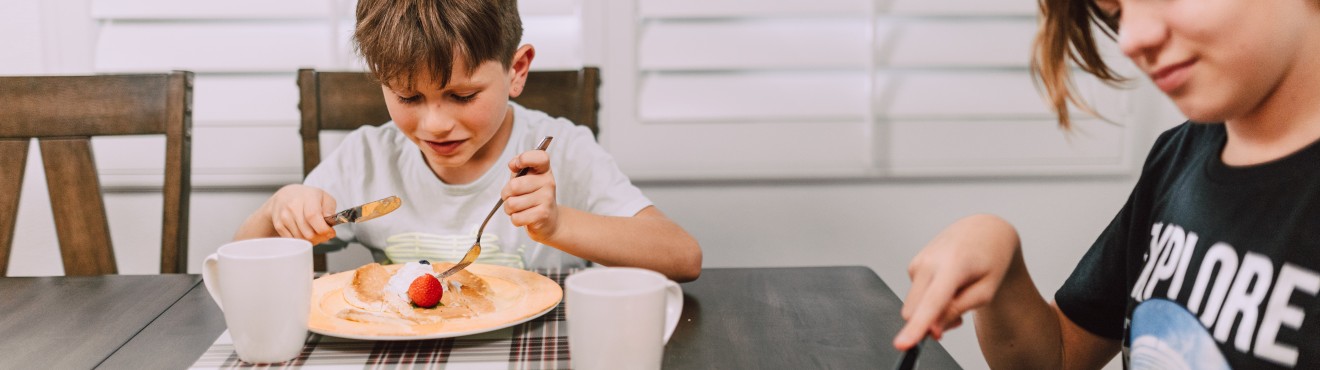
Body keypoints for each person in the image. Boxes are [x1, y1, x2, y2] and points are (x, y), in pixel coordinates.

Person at [893, 0, 1320, 368]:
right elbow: (1060, 358)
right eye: (1115, 14)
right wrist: (994, 249)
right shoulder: (1178, 157)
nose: (1130, 40)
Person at [233, 0, 701, 282]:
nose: (435, 124)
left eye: (462, 95)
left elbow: (682, 256)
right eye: (408, 96)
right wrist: (278, 210)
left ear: (516, 71)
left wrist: (557, 225)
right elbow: (242, 261)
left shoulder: (562, 152)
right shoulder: (366, 159)